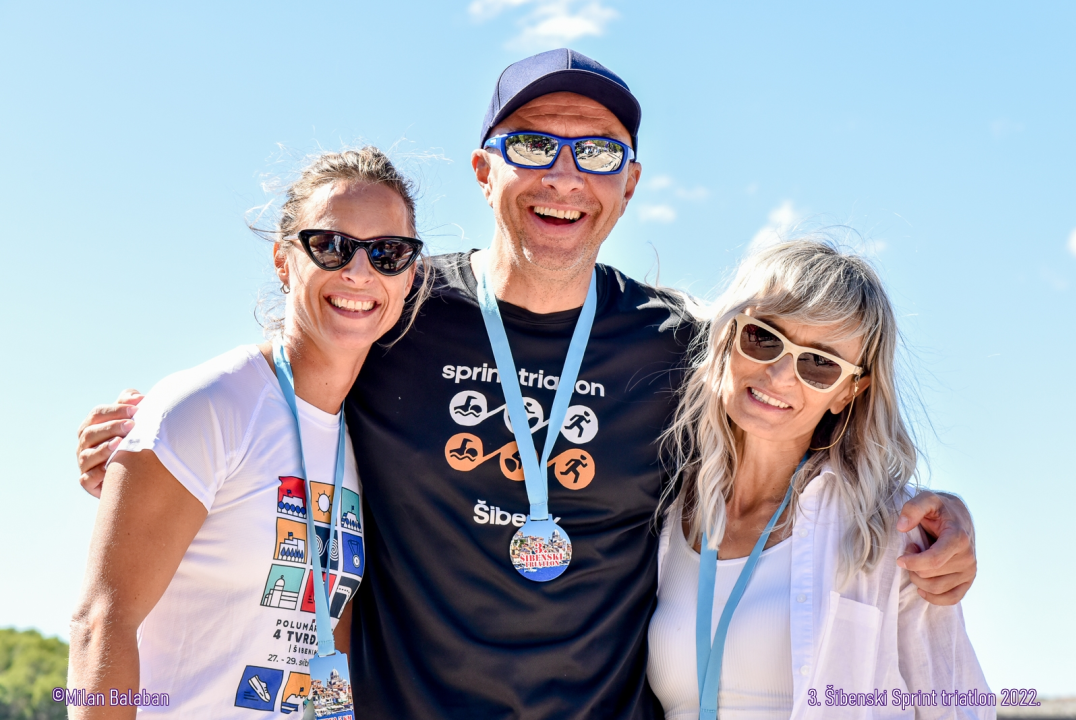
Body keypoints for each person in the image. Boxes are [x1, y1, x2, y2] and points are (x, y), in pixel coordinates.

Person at [74, 50, 979, 719]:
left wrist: (936, 511)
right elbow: (289, 379)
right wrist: (152, 444)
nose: (562, 175)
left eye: (595, 155)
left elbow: (800, 423)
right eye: (532, 144)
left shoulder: (680, 344)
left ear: (628, 187)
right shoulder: (397, 305)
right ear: (483, 169)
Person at [67, 148, 427, 718]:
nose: (360, 272)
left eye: (387, 252)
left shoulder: (374, 436)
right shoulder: (209, 406)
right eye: (331, 246)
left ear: (409, 275)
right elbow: (101, 622)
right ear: (284, 260)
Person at [647, 240, 991, 719]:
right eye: (764, 337)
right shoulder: (660, 507)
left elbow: (954, 706)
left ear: (849, 392)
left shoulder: (893, 535)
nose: (781, 374)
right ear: (727, 335)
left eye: (820, 362)